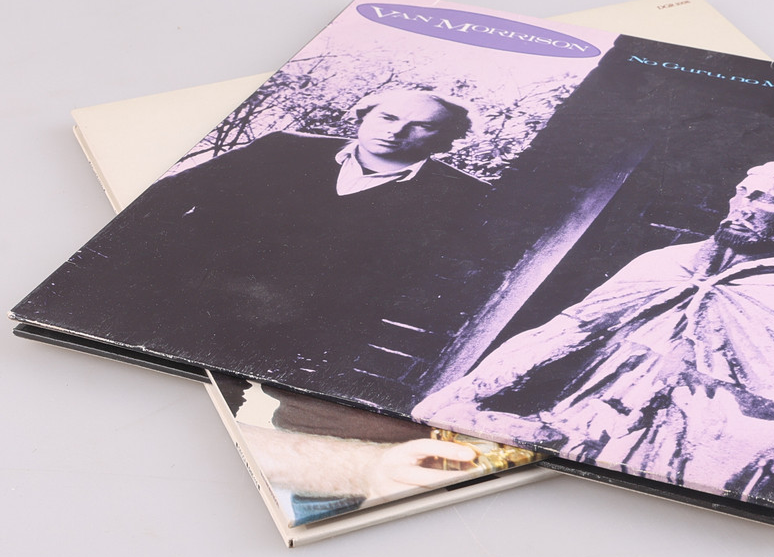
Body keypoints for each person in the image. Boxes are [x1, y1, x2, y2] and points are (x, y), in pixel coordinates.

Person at [412, 147, 774, 509]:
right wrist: (458, 396)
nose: (742, 206)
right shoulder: (670, 262)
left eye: (770, 201)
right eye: (744, 192)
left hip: (695, 482)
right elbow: (563, 332)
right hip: (573, 439)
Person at [25, 89, 489, 400]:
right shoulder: (285, 148)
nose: (396, 130)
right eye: (387, 116)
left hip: (273, 336)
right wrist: (120, 264)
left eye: (420, 126)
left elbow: (413, 283)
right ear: (364, 116)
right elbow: (169, 198)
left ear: (446, 140)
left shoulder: (460, 197)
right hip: (170, 296)